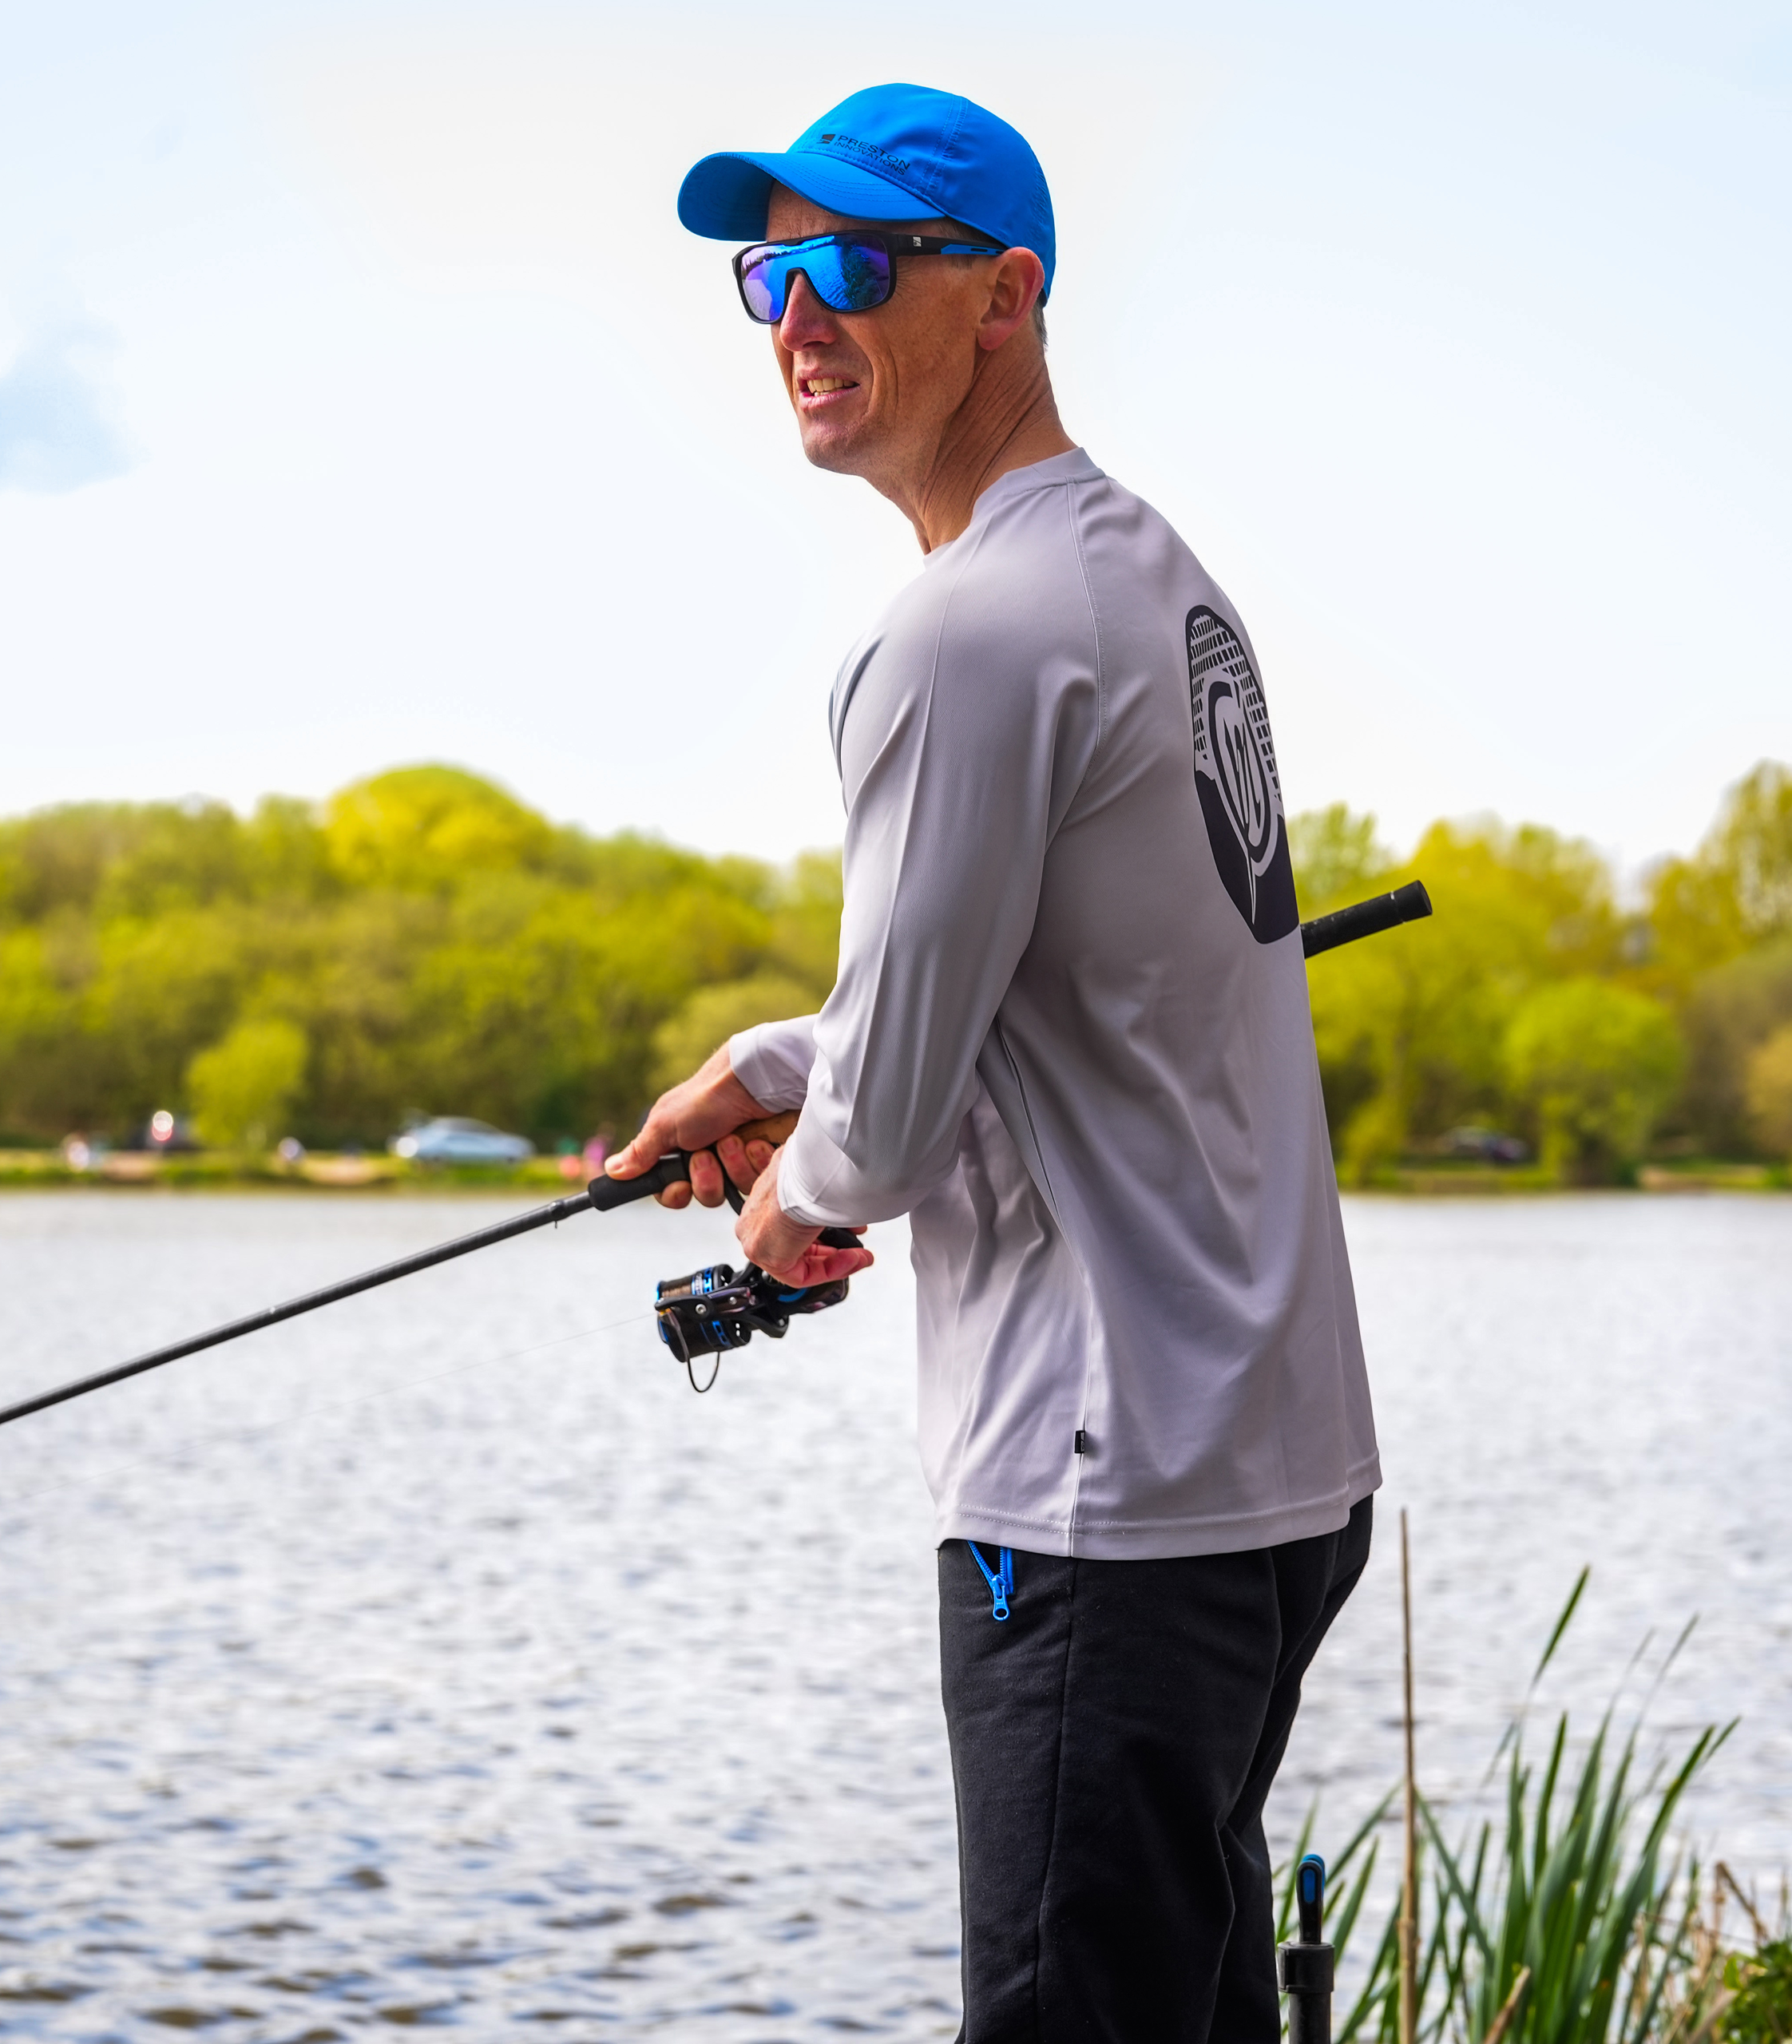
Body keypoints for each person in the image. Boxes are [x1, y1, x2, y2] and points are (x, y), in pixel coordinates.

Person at [607, 83, 1383, 2042]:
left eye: (854, 264)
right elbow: (1063, 988)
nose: (798, 310)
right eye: (768, 269)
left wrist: (799, 1193)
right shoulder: (1150, 583)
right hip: (1267, 1473)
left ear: (1002, 299)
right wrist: (777, 1061)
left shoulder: (965, 632)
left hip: (1095, 1503)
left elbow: (891, 1113)